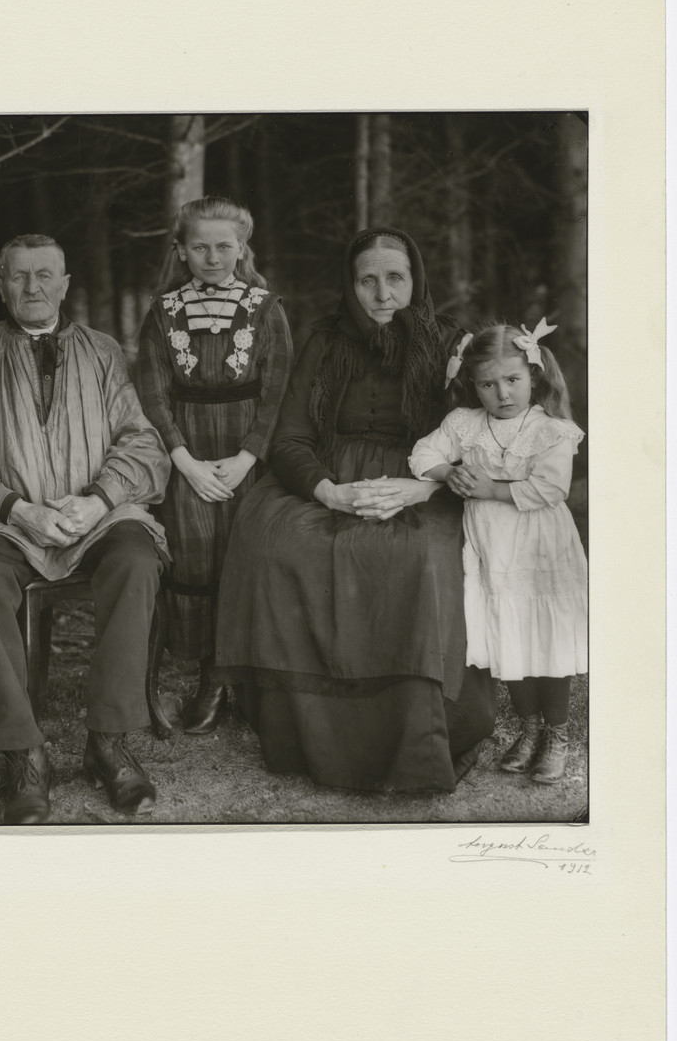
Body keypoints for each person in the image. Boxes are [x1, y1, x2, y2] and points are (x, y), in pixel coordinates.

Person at [214, 227, 496, 792]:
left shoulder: (450, 343)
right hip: (330, 474)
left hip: (424, 482)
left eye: (395, 278)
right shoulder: (326, 341)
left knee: (417, 554)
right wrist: (328, 492)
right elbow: (290, 437)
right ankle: (300, 732)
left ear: (415, 280)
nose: (382, 294)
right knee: (275, 542)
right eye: (368, 281)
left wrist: (425, 488)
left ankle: (417, 735)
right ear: (351, 284)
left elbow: (479, 433)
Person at [0, 233, 170, 824]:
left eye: (45, 275)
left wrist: (98, 500)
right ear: (1, 286)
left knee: (137, 557)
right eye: (19, 276)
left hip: (94, 516)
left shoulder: (103, 351)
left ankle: (108, 743)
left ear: (65, 285)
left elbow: (142, 442)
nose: (32, 287)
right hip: (7, 521)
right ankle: (23, 754)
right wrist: (17, 508)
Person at [137, 197, 294, 733]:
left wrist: (248, 457)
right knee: (196, 554)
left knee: (249, 555)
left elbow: (277, 390)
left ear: (242, 248)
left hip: (249, 452)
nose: (212, 257)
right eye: (199, 246)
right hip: (188, 454)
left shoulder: (265, 308)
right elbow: (153, 393)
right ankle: (211, 673)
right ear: (180, 250)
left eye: (224, 246)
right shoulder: (163, 311)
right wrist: (185, 462)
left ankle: (247, 673)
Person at [409, 319, 587, 784]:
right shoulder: (465, 424)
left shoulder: (551, 429)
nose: (502, 393)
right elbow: (422, 453)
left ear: (534, 375)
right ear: (473, 384)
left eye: (512, 379)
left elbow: (551, 488)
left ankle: (557, 734)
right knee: (508, 633)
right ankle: (527, 730)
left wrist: (490, 488)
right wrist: (448, 472)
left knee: (545, 637)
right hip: (493, 549)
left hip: (540, 546)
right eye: (488, 384)